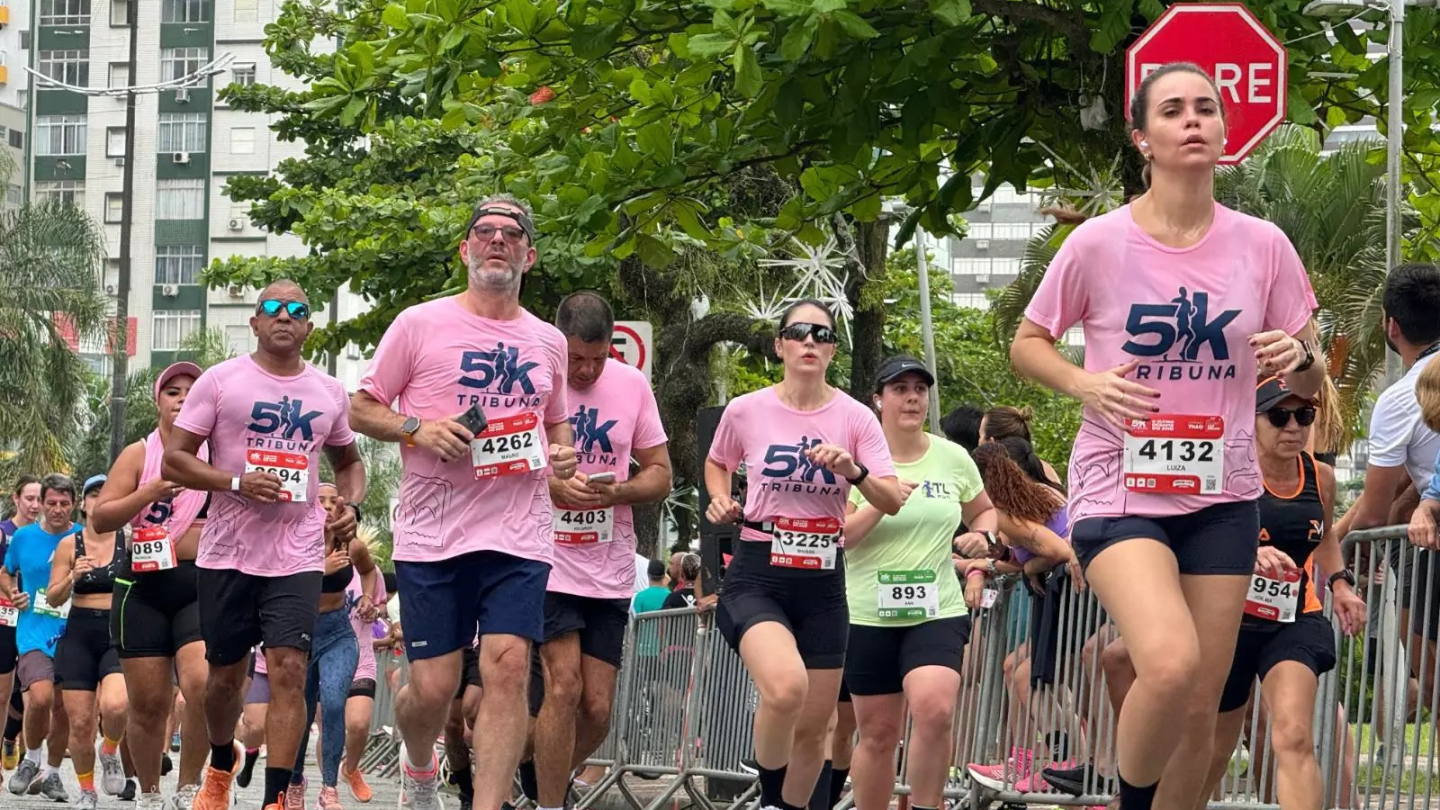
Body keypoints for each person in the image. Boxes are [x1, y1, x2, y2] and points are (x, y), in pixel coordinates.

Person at [1008, 62, 1323, 810]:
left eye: (1207, 109)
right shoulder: (1097, 243)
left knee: (1202, 708)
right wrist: (1086, 383)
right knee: (1171, 662)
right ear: (1141, 137)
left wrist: (1301, 360)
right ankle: (1130, 802)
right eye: (1173, 109)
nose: (1193, 120)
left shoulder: (1264, 245)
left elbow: (1308, 378)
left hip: (1223, 490)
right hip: (1121, 481)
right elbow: (1027, 343)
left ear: (1224, 132)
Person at [349, 195, 577, 810]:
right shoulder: (419, 323)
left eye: (511, 233)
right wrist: (417, 428)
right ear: (465, 250)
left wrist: (563, 454)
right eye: (484, 232)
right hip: (434, 533)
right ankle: (419, 759)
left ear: (529, 254)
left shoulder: (549, 341)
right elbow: (360, 407)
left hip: (519, 532)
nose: (497, 240)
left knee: (506, 666)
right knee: (435, 686)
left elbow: (556, 426)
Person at [163, 279, 366, 810]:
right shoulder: (221, 382)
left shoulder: (328, 391)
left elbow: (350, 462)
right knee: (224, 678)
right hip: (228, 551)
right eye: (272, 308)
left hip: (297, 553)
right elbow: (175, 458)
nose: (284, 316)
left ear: (308, 327)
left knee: (289, 670)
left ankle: (277, 797)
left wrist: (350, 504)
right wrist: (234, 482)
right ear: (255, 321)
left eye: (297, 309)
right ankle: (221, 760)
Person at [705, 298, 904, 810]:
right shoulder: (747, 409)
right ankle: (771, 800)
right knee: (785, 689)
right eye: (798, 332)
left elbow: (890, 497)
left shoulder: (856, 417)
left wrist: (854, 472)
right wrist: (721, 497)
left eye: (821, 334)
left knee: (818, 728)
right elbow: (717, 462)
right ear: (780, 345)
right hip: (759, 572)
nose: (810, 341)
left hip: (822, 580)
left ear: (833, 349)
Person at [528, 290, 672, 810]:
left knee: (597, 709)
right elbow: (493, 462)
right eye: (576, 359)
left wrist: (618, 491)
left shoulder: (632, 386)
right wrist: (548, 485)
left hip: (609, 567)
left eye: (598, 357)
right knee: (562, 689)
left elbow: (660, 474)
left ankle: (538, 770)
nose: (586, 370)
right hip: (547, 561)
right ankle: (548, 802)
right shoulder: (534, 381)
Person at [1196, 377, 1366, 810]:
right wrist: (1247, 549)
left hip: (1293, 616)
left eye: (1304, 416)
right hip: (1229, 620)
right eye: (1278, 416)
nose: (1293, 427)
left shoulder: (1320, 478)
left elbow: (1323, 537)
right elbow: (1196, 538)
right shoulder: (1228, 472)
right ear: (1250, 421)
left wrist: (1342, 583)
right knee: (1214, 747)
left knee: (1293, 734)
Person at [841, 355, 997, 810]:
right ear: (877, 400)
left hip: (937, 608)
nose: (911, 398)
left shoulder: (952, 457)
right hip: (868, 612)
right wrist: (882, 500)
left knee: (935, 710)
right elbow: (843, 536)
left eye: (919, 389)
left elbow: (983, 510)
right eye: (899, 389)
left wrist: (981, 535)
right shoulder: (857, 461)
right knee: (878, 733)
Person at [91, 361, 212, 810]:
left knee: (201, 684)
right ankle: (150, 794)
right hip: (141, 589)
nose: (182, 399)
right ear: (158, 401)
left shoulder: (217, 452)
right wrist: (148, 492)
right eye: (172, 391)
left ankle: (187, 788)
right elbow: (101, 518)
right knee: (148, 705)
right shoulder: (140, 454)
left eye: (191, 391)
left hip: (201, 585)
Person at [287, 483, 379, 810]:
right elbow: (278, 581)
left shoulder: (350, 546)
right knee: (301, 711)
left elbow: (369, 572)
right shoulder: (293, 539)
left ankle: (329, 789)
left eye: (332, 501)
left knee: (334, 703)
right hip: (301, 635)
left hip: (338, 632)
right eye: (320, 500)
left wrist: (368, 597)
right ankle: (295, 779)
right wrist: (317, 571)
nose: (327, 506)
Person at [48, 474, 129, 810]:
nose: (99, 501)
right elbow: (53, 597)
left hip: (118, 631)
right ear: (84, 504)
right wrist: (72, 576)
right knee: (79, 721)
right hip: (79, 631)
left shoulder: (129, 539)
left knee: (115, 705)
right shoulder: (70, 544)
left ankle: (109, 748)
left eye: (107, 494)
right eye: (94, 495)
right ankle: (87, 790)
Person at [2, 474, 76, 801]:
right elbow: (6, 571)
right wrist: (12, 593)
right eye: (51, 503)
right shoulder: (23, 537)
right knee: (41, 697)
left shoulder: (83, 537)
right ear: (41, 505)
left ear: (74, 504)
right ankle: (30, 759)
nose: (57, 510)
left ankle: (55, 774)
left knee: (62, 707)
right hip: (32, 631)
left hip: (73, 634)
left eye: (64, 503)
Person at [0, 474, 40, 768]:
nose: (35, 505)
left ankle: (30, 755)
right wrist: (11, 593)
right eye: (29, 498)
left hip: (38, 621)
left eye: (40, 499)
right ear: (16, 499)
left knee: (36, 691)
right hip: (5, 618)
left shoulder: (50, 536)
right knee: (3, 693)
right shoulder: (3, 533)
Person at [341, 563, 388, 803]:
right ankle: (328, 792)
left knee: (359, 724)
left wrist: (375, 611)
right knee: (331, 729)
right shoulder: (313, 560)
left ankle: (350, 769)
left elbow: (382, 605)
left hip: (362, 657)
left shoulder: (370, 571)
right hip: (326, 657)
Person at [978, 406, 1063, 486]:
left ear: (991, 443)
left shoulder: (999, 478)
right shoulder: (1045, 468)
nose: (978, 441)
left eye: (980, 435)